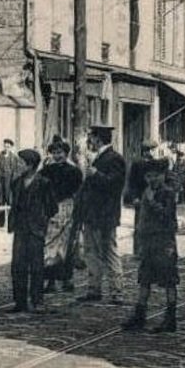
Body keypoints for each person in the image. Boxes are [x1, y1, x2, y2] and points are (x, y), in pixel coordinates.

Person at [121, 161, 179, 333]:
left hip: (163, 242)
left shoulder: (167, 193)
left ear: (163, 175)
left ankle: (170, 318)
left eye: (155, 175)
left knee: (169, 280)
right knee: (144, 279)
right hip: (148, 242)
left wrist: (152, 202)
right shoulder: (146, 191)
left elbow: (167, 215)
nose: (152, 179)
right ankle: (140, 315)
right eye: (149, 176)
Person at [76, 124, 126, 303]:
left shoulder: (114, 158)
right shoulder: (97, 157)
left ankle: (116, 291)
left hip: (105, 216)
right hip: (92, 215)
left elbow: (115, 185)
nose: (89, 141)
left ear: (99, 139)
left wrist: (96, 174)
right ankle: (94, 289)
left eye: (92, 138)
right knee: (91, 252)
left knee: (109, 252)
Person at [9, 149, 58, 313]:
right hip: (20, 230)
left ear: (30, 165)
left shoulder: (44, 183)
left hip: (36, 230)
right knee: (18, 265)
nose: (17, 166)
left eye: (20, 163)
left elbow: (52, 207)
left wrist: (41, 220)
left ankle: (37, 301)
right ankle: (20, 302)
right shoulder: (16, 183)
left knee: (37, 266)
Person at [41, 136, 83, 294]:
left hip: (67, 209)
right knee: (50, 246)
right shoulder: (46, 171)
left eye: (60, 152)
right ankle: (50, 281)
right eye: (54, 152)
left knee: (67, 245)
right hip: (50, 210)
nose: (57, 155)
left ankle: (67, 279)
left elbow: (77, 192)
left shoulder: (74, 171)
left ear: (66, 153)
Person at [125, 139, 166, 256]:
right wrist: (134, 197)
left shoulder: (157, 163)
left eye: (154, 149)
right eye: (151, 150)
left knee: (153, 224)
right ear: (145, 151)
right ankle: (138, 251)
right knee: (139, 225)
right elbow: (132, 182)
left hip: (154, 197)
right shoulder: (137, 164)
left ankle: (152, 250)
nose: (153, 152)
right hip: (141, 197)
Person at [0, 139, 22, 227]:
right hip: (0, 183)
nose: (6, 148)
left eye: (8, 146)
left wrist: (14, 180)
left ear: (11, 147)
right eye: (5, 146)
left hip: (10, 184)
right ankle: (1, 223)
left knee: (10, 202)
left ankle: (11, 224)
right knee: (1, 202)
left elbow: (18, 170)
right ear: (3, 146)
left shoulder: (14, 158)